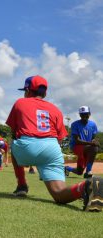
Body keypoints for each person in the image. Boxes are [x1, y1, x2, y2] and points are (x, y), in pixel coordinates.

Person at [6, 75, 103, 211]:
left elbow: (14, 132)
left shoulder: (20, 103)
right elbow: (60, 137)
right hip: (52, 148)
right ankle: (85, 187)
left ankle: (22, 186)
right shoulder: (55, 109)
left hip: (27, 145)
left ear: (27, 91)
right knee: (59, 194)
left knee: (14, 145)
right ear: (45, 93)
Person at [65, 106, 99, 178]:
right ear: (80, 115)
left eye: (86, 114)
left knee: (79, 172)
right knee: (94, 148)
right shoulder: (75, 124)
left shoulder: (93, 124)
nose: (84, 116)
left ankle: (66, 168)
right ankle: (88, 172)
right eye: (82, 114)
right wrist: (92, 143)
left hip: (87, 148)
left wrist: (94, 141)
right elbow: (77, 141)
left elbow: (93, 138)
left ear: (89, 114)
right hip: (76, 147)